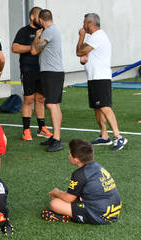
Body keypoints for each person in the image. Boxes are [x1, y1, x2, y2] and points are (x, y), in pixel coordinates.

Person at [76, 13, 128, 151]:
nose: (83, 25)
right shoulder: (94, 38)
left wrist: (81, 36)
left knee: (104, 106)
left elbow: (79, 52)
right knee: (97, 108)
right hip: (93, 77)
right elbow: (82, 53)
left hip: (100, 78)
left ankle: (118, 136)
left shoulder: (98, 36)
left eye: (84, 23)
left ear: (91, 23)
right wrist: (86, 57)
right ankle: (104, 136)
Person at [41, 139, 121, 224]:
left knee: (55, 203)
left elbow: (69, 198)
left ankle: (71, 217)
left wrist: (55, 192)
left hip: (100, 216)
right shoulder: (97, 166)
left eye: (69, 153)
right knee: (62, 197)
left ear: (76, 160)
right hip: (113, 210)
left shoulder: (79, 174)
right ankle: (74, 213)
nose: (68, 155)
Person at [12, 7, 53, 140]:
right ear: (32, 16)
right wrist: (33, 47)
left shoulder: (45, 31)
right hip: (28, 70)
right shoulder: (24, 31)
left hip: (43, 69)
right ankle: (26, 130)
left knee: (40, 99)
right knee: (28, 99)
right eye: (38, 16)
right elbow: (15, 48)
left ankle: (42, 128)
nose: (41, 19)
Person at [31, 9, 64, 152]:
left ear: (40, 20)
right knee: (53, 104)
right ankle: (55, 137)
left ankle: (57, 139)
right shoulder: (51, 30)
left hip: (52, 73)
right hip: (51, 72)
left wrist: (37, 36)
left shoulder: (48, 31)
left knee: (51, 104)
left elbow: (34, 50)